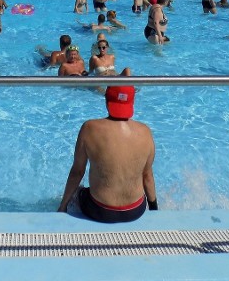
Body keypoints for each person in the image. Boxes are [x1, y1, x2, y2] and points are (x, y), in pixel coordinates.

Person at [57, 86, 157, 223]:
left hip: (100, 210)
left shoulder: (89, 128)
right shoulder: (145, 131)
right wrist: (154, 208)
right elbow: (147, 176)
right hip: (135, 210)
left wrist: (62, 206)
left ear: (106, 100)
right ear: (132, 102)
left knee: (77, 192)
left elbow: (77, 172)